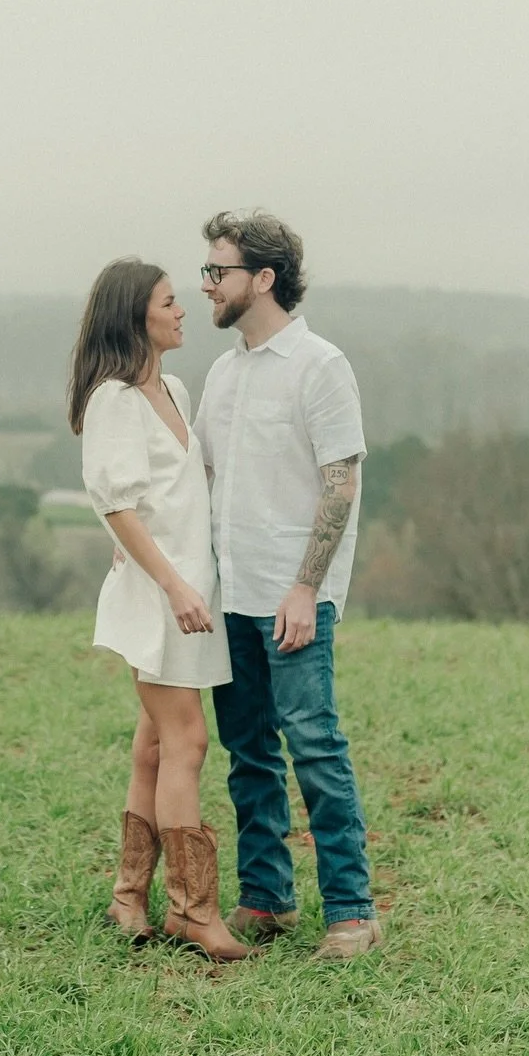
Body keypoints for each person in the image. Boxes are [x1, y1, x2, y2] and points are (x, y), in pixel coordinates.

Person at [194, 209, 385, 960]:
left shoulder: (321, 367)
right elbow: (206, 475)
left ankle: (352, 912)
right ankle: (267, 899)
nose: (206, 284)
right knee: (247, 751)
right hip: (230, 593)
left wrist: (307, 589)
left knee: (314, 744)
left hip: (291, 598)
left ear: (263, 279)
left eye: (219, 271)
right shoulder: (222, 371)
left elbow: (341, 483)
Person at [69, 256, 255, 962]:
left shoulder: (173, 386)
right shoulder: (113, 399)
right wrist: (175, 586)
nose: (183, 312)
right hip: (163, 600)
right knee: (188, 744)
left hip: (191, 593)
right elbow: (113, 502)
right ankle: (193, 910)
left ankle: (128, 896)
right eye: (170, 303)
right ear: (135, 316)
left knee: (154, 745)